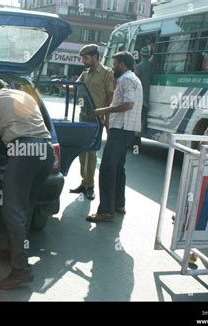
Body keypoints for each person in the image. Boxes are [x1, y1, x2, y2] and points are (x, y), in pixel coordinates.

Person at [0, 78, 54, 289]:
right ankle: (15, 250)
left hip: (23, 151)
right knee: (27, 206)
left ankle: (21, 270)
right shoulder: (25, 96)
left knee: (13, 212)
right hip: (46, 151)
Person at [86, 51, 143, 223]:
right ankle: (118, 203)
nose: (113, 67)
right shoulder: (132, 78)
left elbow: (128, 104)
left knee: (107, 169)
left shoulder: (126, 79)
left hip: (122, 128)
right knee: (118, 167)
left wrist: (102, 111)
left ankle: (105, 211)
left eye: (115, 64)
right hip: (126, 129)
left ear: (124, 64)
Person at [69, 44, 114, 200]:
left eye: (86, 58)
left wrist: (107, 119)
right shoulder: (85, 73)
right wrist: (64, 87)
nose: (83, 61)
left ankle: (90, 185)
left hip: (96, 118)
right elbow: (76, 89)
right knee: (82, 150)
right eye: (82, 58)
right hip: (83, 116)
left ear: (95, 57)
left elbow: (110, 97)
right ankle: (84, 182)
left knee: (91, 152)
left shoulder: (107, 73)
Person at [134, 46, 152, 135]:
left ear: (141, 55)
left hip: (139, 98)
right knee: (143, 118)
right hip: (147, 98)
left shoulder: (138, 67)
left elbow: (133, 80)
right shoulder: (152, 65)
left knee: (137, 119)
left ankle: (137, 140)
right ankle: (142, 134)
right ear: (149, 55)